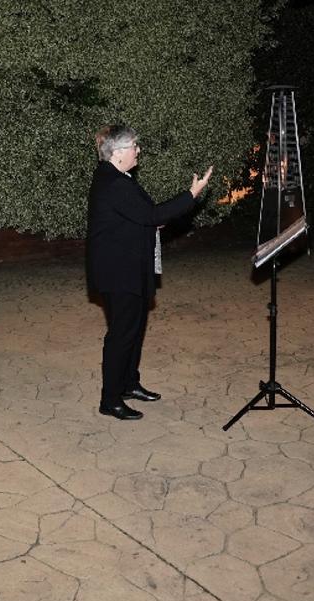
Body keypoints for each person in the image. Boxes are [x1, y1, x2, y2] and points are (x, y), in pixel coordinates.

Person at [86, 124, 211, 420]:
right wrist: (190, 195)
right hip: (119, 272)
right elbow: (151, 214)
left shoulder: (118, 177)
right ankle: (110, 399)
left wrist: (152, 220)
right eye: (134, 146)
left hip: (130, 266)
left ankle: (129, 384)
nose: (138, 151)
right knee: (121, 335)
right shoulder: (114, 182)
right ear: (118, 153)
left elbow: (143, 214)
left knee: (134, 330)